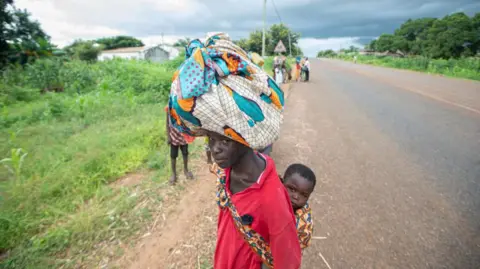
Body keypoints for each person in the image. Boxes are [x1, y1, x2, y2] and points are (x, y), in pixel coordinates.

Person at [168, 32, 301, 269]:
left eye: (225, 141)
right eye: (211, 138)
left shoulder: (271, 199)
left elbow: (288, 262)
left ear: (245, 137)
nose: (214, 149)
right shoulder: (228, 173)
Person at [281, 163, 316, 250]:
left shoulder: (303, 223)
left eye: (303, 195)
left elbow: (301, 243)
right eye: (292, 189)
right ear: (282, 182)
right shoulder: (271, 192)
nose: (296, 197)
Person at [165, 106, 194, 185]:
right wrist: (168, 136)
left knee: (185, 152)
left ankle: (186, 170)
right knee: (173, 155)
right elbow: (167, 123)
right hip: (173, 135)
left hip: (183, 134)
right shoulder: (169, 108)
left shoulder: (182, 105)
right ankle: (173, 173)